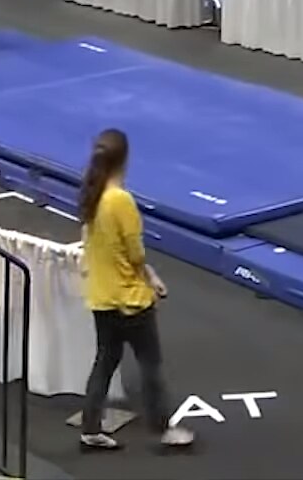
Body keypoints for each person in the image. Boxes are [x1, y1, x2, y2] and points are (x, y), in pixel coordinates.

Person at [77, 129, 193, 451]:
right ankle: (162, 428)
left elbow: (94, 244)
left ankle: (90, 427)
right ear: (124, 159)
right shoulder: (120, 200)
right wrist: (150, 277)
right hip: (129, 300)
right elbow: (135, 253)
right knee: (150, 364)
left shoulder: (92, 194)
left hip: (102, 298)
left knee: (104, 361)